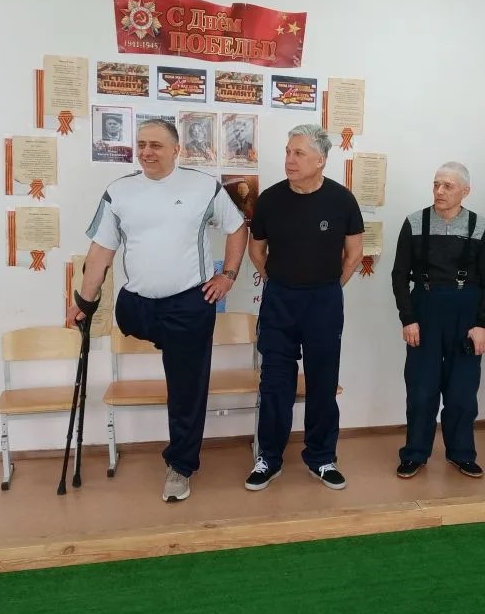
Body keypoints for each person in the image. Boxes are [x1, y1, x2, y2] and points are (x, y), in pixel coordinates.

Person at [66, 119, 248, 502]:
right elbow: (100, 252)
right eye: (142, 144)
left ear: (176, 150)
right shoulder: (120, 191)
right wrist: (83, 302)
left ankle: (180, 466)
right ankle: (171, 346)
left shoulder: (203, 187)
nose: (147, 152)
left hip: (188, 303)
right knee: (135, 320)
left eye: (156, 145)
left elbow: (237, 227)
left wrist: (228, 276)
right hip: (138, 307)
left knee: (186, 390)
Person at [245, 124, 364, 491]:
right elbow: (256, 249)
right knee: (275, 383)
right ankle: (269, 458)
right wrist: (277, 280)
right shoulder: (270, 199)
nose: (289, 160)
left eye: (298, 153)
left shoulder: (342, 200)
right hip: (280, 302)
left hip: (323, 303)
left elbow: (354, 253)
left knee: (323, 382)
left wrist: (330, 287)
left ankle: (322, 458)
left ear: (320, 160)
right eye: (287, 151)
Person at [390, 162, 485, 479]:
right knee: (421, 389)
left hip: (467, 314)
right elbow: (399, 275)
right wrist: (408, 318)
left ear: (465, 191)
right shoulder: (414, 222)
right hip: (425, 311)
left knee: (462, 391)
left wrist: (483, 325)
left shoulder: (479, 226)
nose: (439, 191)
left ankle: (461, 453)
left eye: (448, 186)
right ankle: (415, 453)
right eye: (436, 184)